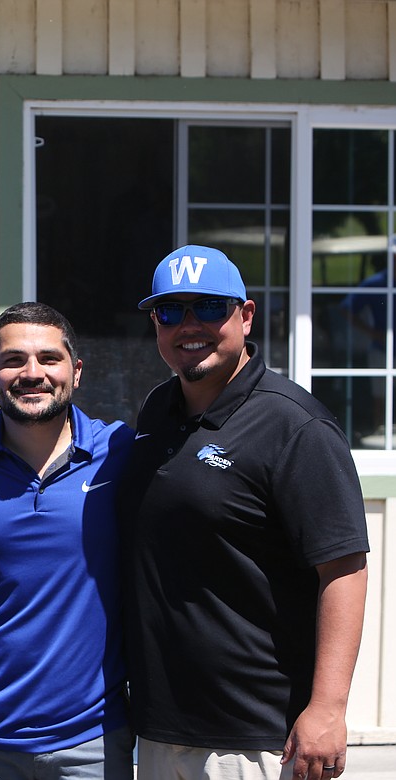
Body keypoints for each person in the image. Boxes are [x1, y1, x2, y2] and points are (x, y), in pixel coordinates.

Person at [119, 244, 370, 780]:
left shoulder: (295, 426)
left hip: (255, 736)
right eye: (171, 311)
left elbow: (343, 568)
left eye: (210, 307)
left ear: (246, 315)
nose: (191, 326)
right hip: (161, 727)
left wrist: (327, 708)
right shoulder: (156, 410)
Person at [0, 302, 133, 780]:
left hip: (93, 740)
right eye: (13, 360)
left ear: (76, 371)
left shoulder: (121, 454)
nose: (32, 373)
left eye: (48, 359)